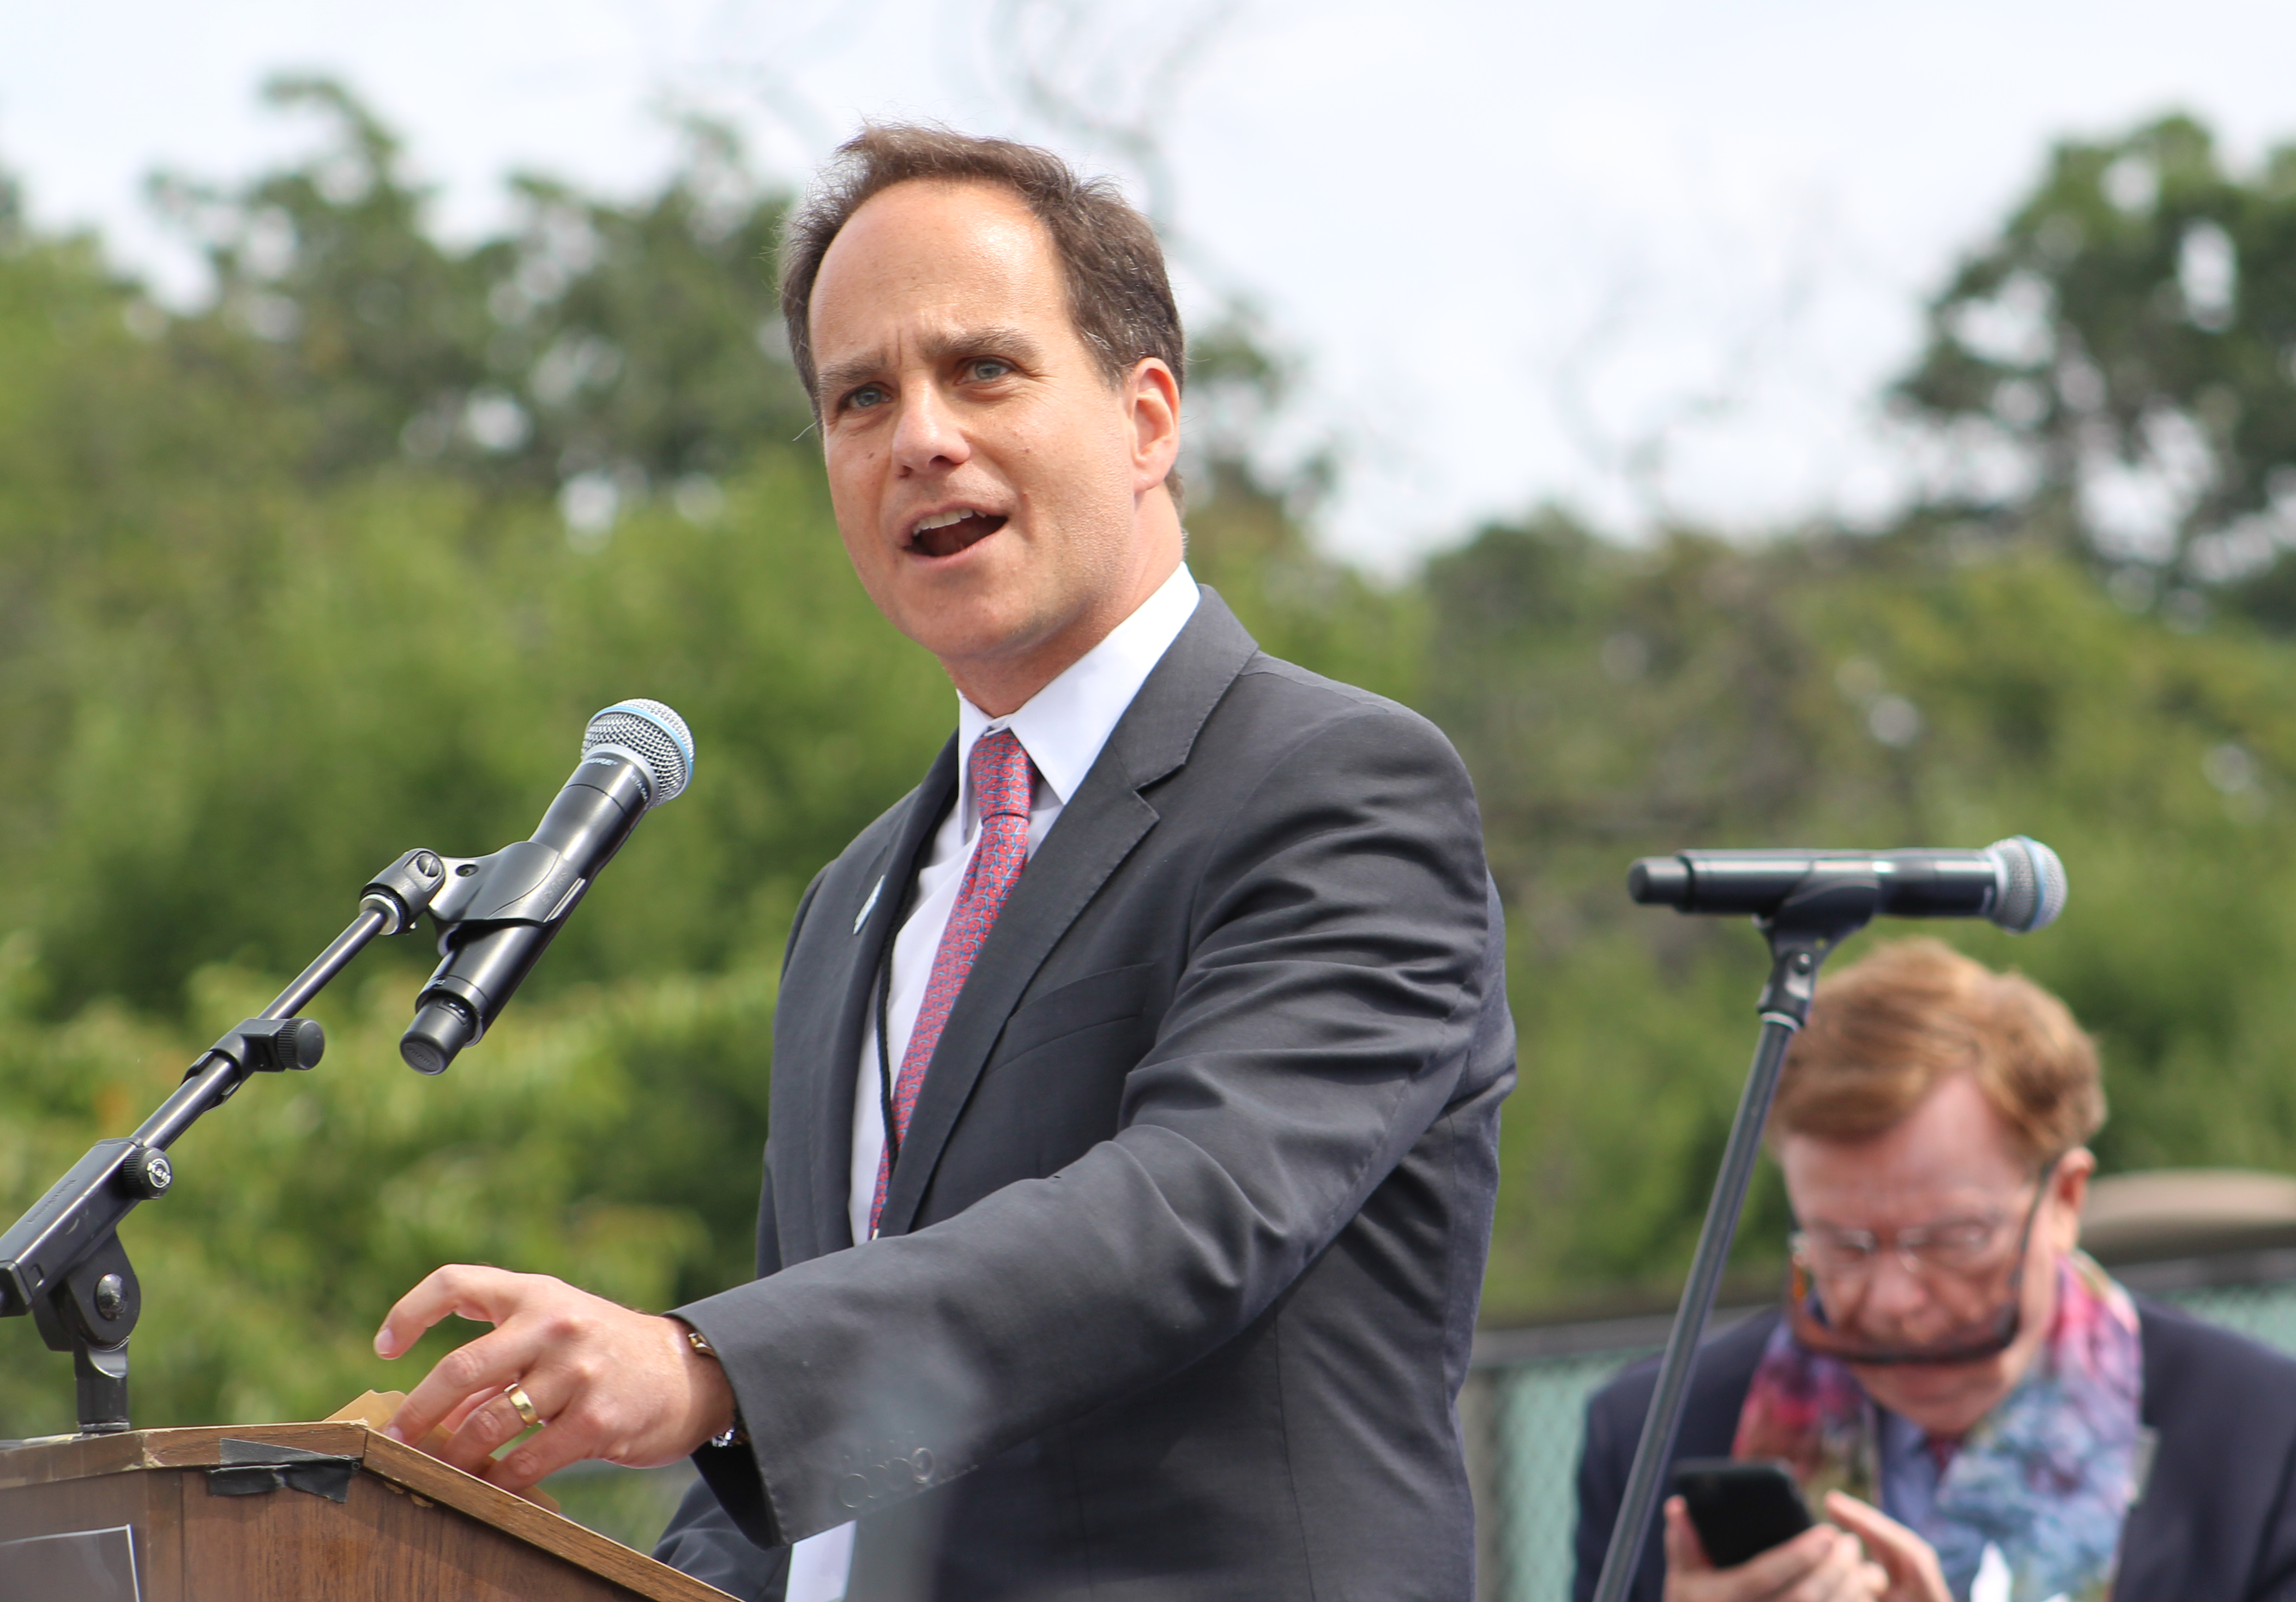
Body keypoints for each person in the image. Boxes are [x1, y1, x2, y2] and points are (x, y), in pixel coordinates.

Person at [368, 125, 1516, 1601]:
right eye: (860, 397)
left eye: (982, 369)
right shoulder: (852, 901)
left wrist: (705, 1363)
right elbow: (803, 1474)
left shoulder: (1338, 788)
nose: (919, 436)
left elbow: (1181, 1214)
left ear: (1147, 417)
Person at [1574, 938, 2296, 1601]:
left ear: (2063, 1197)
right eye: (1842, 1245)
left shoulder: (2261, 1433)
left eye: (1952, 1239)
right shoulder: (1653, 1435)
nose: (1890, 1301)